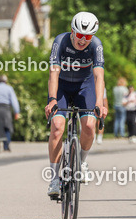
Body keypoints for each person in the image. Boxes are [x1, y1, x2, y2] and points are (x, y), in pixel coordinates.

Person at [44, 11, 107, 199]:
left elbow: (99, 76)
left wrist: (99, 102)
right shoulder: (60, 41)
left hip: (84, 86)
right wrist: (52, 99)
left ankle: (82, 162)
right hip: (62, 86)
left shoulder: (96, 45)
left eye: (88, 36)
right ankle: (54, 178)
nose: (83, 40)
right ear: (72, 31)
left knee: (89, 125)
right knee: (57, 127)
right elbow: (54, 73)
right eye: (79, 35)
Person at [0, 74, 21, 151]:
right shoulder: (9, 88)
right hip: (6, 109)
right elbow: (14, 100)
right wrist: (16, 112)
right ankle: (6, 145)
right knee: (7, 127)